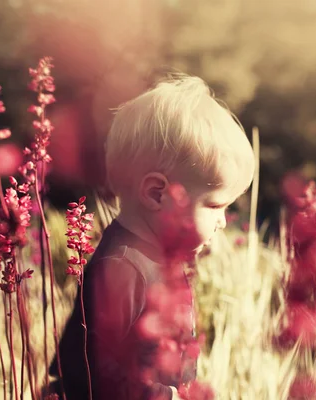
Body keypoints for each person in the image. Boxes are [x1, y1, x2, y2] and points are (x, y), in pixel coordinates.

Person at [48, 73, 255, 400]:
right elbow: (90, 371)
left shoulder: (157, 260)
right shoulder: (122, 268)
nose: (222, 222)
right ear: (158, 194)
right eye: (215, 205)